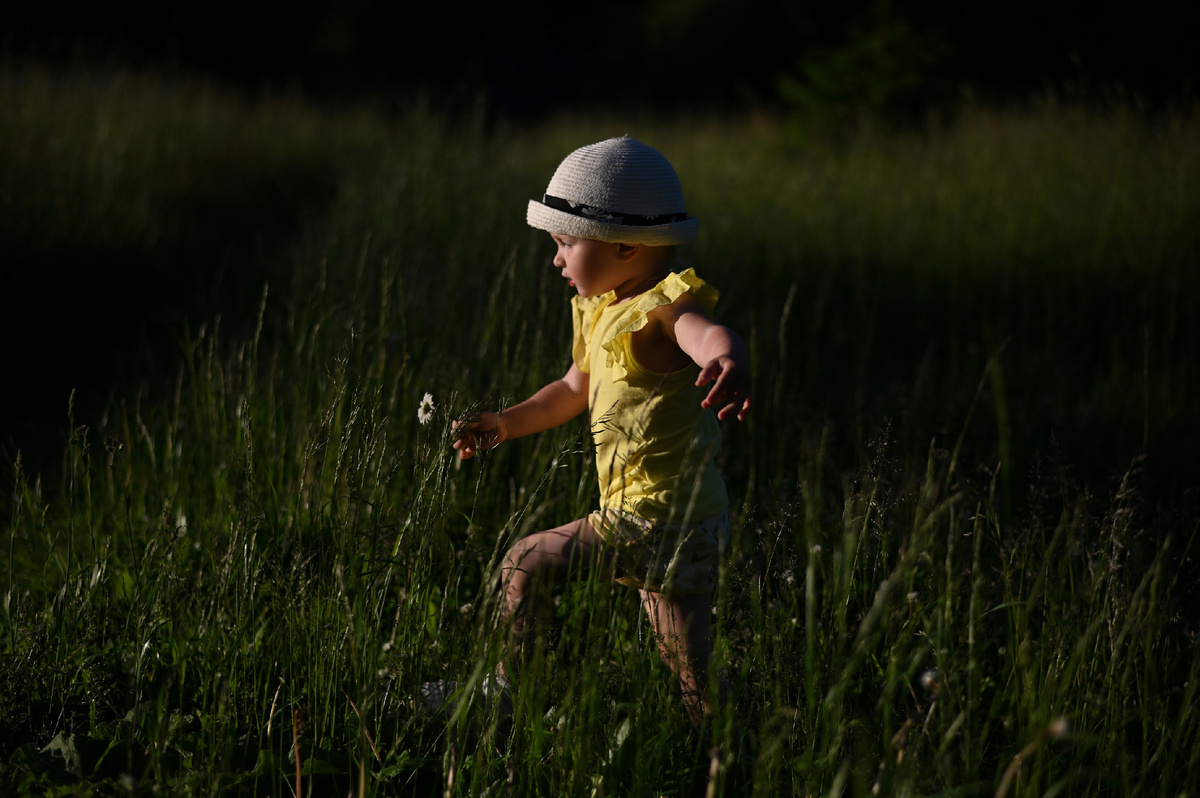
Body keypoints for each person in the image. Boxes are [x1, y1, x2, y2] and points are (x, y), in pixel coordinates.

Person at [450, 136, 752, 733]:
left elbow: (708, 334)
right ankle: (727, 753)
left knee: (523, 564)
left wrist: (727, 359)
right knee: (687, 666)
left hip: (657, 516)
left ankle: (515, 696)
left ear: (625, 245)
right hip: (675, 518)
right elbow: (569, 391)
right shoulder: (603, 308)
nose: (556, 259)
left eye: (566, 243)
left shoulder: (662, 309)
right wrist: (506, 423)